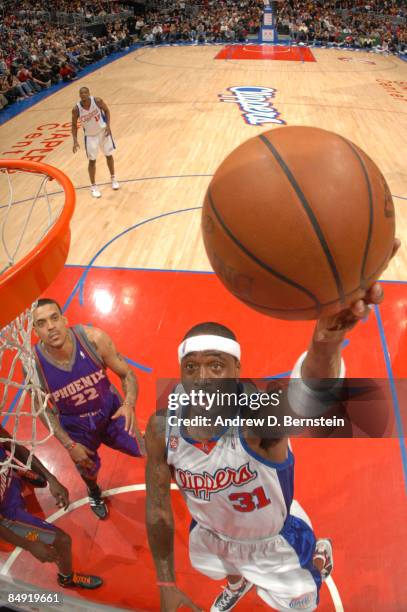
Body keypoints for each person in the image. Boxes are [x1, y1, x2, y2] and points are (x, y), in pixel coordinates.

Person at [145, 246, 399, 612]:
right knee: (223, 566)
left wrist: (324, 343)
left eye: (216, 366)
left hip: (272, 542)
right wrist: (165, 581)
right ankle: (238, 582)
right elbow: (157, 506)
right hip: (212, 534)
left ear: (236, 370)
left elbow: (307, 396)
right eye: (191, 367)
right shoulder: (162, 427)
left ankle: (313, 553)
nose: (202, 379)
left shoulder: (259, 419)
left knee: (298, 606)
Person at [32, 298, 145, 520]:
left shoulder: (93, 339)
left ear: (64, 319)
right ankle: (93, 491)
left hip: (111, 411)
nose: (51, 326)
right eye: (42, 323)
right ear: (36, 330)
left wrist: (129, 404)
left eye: (54, 318)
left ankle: (176, 466)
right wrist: (69, 444)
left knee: (143, 447)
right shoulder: (33, 365)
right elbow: (42, 409)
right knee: (87, 469)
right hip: (76, 427)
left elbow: (126, 374)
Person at [0, 425, 102, 589]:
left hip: (8, 479)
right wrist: (29, 545)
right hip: (5, 514)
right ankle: (66, 578)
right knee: (62, 540)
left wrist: (52, 479)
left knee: (40, 478)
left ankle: (18, 472)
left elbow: (14, 446)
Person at [71, 86, 119, 198]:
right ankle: (93, 186)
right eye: (81, 93)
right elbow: (74, 125)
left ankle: (113, 178)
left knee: (109, 156)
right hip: (90, 137)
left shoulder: (97, 101)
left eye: (85, 92)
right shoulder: (76, 109)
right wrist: (75, 141)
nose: (83, 95)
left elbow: (107, 110)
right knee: (92, 161)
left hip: (103, 132)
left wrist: (108, 125)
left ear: (89, 93)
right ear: (79, 95)